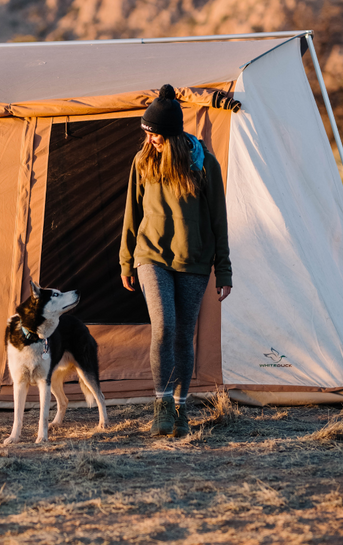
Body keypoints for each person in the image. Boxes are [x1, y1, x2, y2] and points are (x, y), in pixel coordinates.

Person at [120, 84, 233, 437]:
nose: (149, 139)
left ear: (170, 134)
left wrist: (224, 269)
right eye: (147, 133)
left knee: (184, 335)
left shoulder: (205, 165)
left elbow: (219, 220)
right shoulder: (142, 161)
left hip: (194, 260)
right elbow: (132, 213)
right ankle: (163, 405)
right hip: (151, 256)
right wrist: (126, 260)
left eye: (154, 133)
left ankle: (181, 409)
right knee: (164, 326)